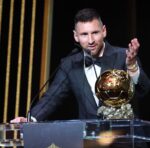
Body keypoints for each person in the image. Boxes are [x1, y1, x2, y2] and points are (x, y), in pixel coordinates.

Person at [11, 8, 150, 122]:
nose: (90, 40)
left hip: (125, 140)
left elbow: (143, 90)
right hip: (90, 142)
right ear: (75, 36)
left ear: (104, 31)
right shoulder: (69, 64)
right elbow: (52, 97)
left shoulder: (123, 56)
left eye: (95, 33)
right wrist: (30, 119)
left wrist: (132, 66)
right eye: (84, 34)